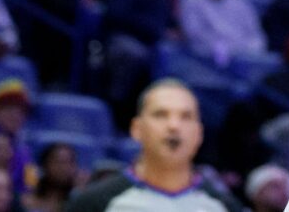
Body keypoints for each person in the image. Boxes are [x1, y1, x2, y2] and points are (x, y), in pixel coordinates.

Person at [65, 81, 244, 212]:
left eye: (186, 116)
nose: (174, 126)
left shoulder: (226, 207)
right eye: (161, 114)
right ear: (136, 128)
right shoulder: (92, 204)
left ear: (199, 133)